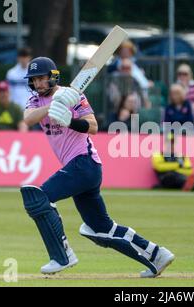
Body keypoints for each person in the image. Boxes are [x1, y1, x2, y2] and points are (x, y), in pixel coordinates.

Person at [22, 57, 174, 277]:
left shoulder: (74, 95)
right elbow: (28, 119)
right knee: (100, 227)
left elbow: (93, 127)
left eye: (41, 78)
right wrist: (53, 107)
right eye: (34, 80)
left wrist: (70, 120)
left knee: (38, 198)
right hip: (80, 169)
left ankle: (61, 256)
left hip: (84, 163)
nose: (38, 84)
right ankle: (157, 254)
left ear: (53, 77)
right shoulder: (36, 102)